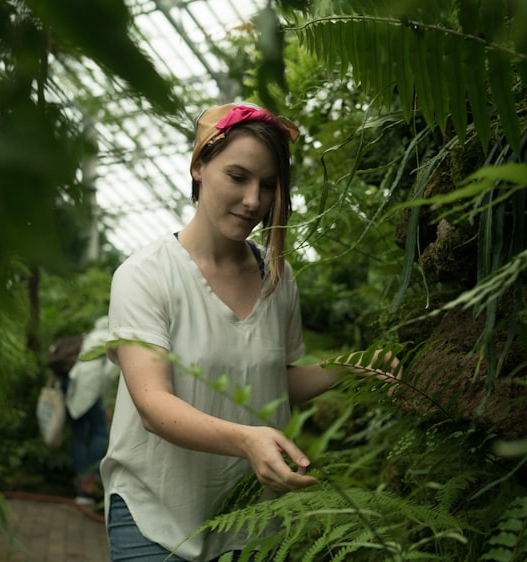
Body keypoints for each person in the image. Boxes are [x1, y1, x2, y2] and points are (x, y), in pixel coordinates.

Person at [100, 102, 398, 561]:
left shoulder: (278, 277)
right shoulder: (146, 275)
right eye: (238, 177)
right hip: (154, 517)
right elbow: (153, 406)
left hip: (249, 522)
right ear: (199, 166)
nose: (254, 201)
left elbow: (277, 380)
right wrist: (247, 438)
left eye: (268, 186)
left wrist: (351, 368)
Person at [65, 316, 120, 506]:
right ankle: (90, 485)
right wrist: (106, 403)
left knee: (79, 435)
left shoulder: (89, 337)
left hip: (74, 388)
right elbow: (108, 374)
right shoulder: (112, 338)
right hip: (93, 391)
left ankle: (80, 483)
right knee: (99, 433)